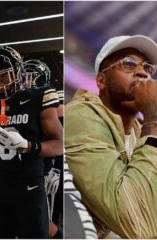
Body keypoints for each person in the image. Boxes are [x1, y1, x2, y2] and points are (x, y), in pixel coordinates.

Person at [65, 35, 157, 238]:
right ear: (101, 80)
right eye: (128, 64)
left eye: (148, 68)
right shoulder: (80, 116)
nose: (142, 73)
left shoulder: (139, 129)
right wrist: (154, 118)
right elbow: (137, 222)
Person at [0, 46, 63, 238]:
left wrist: (28, 146)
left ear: (17, 72)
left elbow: (60, 143)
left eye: (3, 77)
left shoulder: (37, 97)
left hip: (29, 185)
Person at [22, 58, 64, 238]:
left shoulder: (49, 98)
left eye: (28, 78)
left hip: (49, 167)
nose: (24, 82)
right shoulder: (18, 101)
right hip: (28, 168)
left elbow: (59, 138)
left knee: (45, 221)